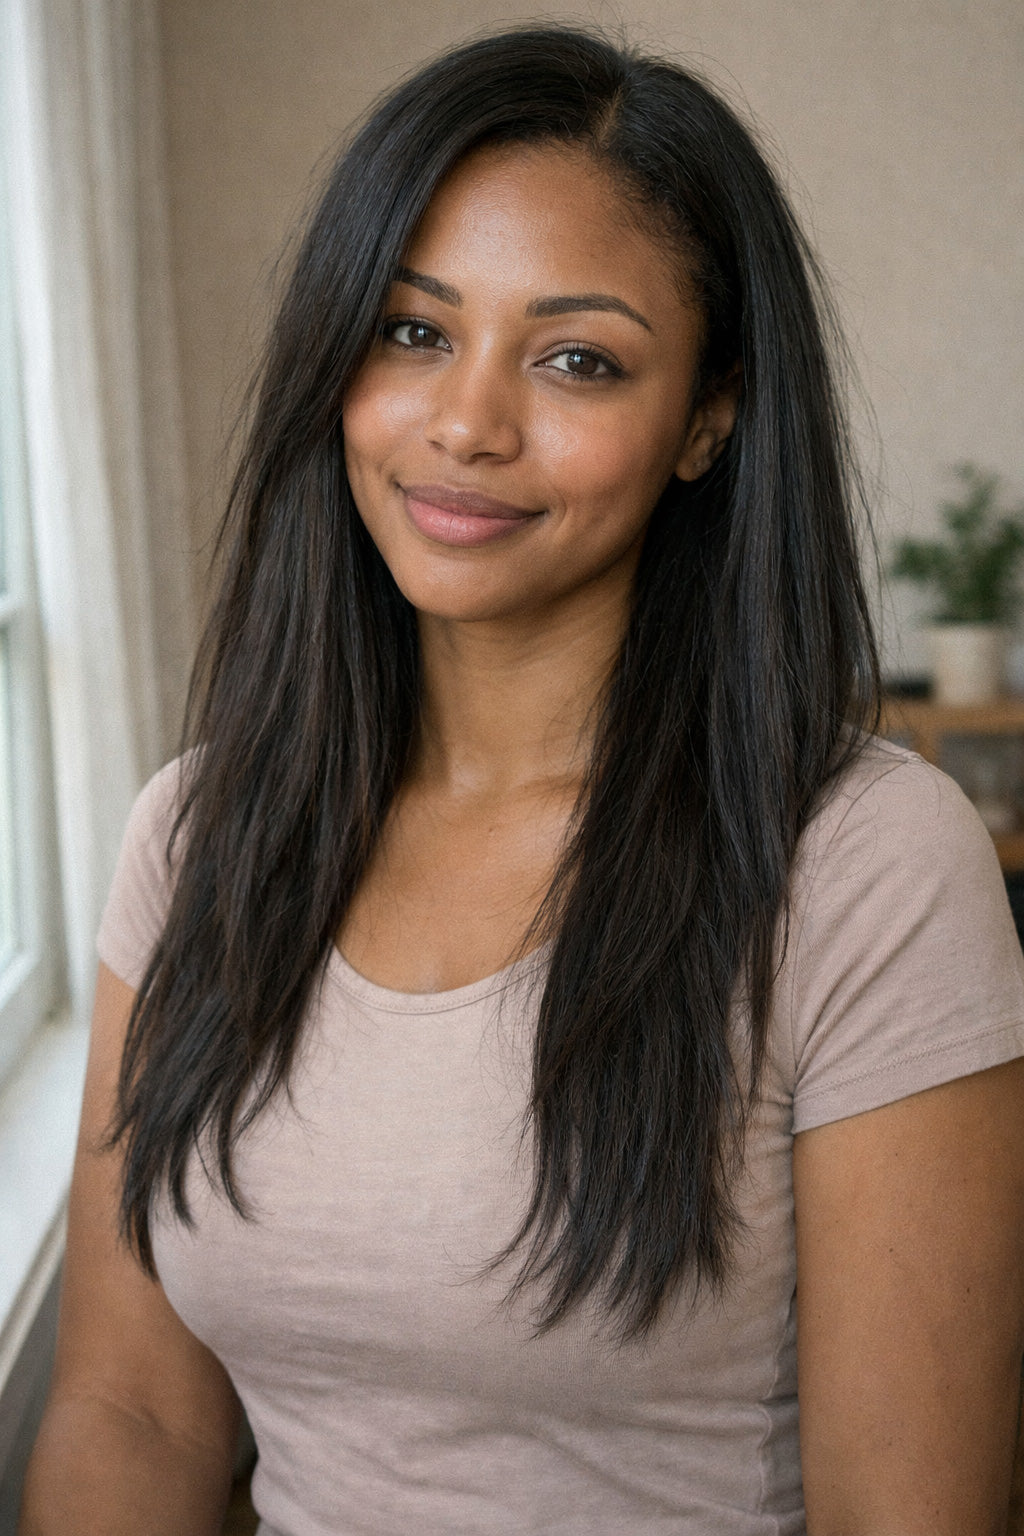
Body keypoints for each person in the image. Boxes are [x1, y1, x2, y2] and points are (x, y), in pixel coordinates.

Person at [19, 25, 1024, 1536]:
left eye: (577, 360)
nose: (467, 424)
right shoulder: (198, 832)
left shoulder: (865, 864)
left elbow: (908, 1516)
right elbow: (132, 1413)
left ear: (708, 417)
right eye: (412, 331)